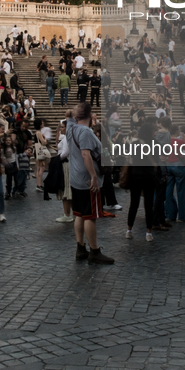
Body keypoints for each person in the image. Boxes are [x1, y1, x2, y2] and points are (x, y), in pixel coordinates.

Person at [67, 102, 114, 264]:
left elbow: (68, 114)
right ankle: (94, 250)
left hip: (75, 178)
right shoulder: (85, 131)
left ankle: (80, 248)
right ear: (91, 115)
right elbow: (86, 155)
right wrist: (94, 177)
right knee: (90, 216)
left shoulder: (70, 127)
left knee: (79, 214)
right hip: (88, 180)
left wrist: (73, 113)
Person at [54, 121, 74, 224]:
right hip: (69, 164)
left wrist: (57, 158)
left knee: (66, 190)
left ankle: (67, 214)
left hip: (65, 165)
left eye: (62, 127)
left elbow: (65, 152)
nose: (61, 129)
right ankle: (73, 213)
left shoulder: (67, 138)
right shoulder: (69, 138)